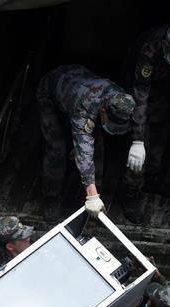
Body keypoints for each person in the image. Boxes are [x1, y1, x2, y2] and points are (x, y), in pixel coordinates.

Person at [36, 65, 136, 221]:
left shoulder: (121, 97)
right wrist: (91, 196)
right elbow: (84, 152)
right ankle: (51, 197)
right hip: (50, 90)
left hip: (77, 78)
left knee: (97, 145)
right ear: (103, 112)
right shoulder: (83, 107)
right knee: (57, 148)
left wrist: (138, 142)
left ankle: (98, 198)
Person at [122, 23, 170, 224]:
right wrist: (137, 140)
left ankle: (152, 178)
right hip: (139, 87)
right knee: (140, 148)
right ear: (163, 45)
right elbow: (140, 95)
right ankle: (131, 194)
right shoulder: (149, 50)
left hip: (164, 85)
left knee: (162, 130)